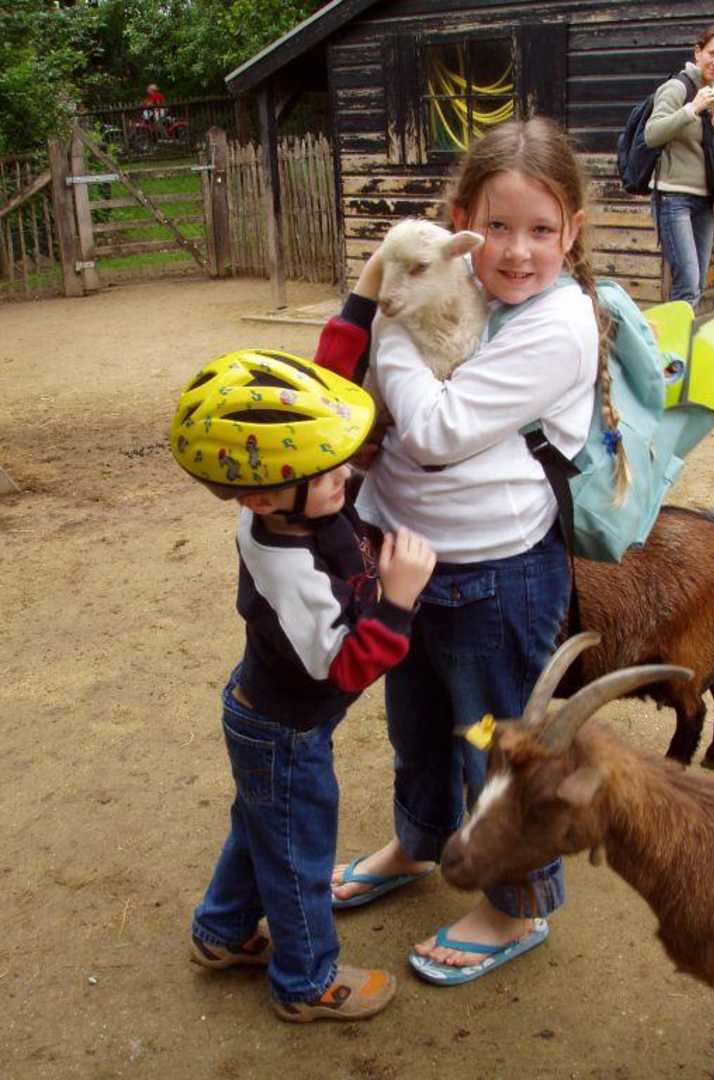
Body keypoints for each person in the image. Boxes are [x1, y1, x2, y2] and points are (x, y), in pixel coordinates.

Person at [314, 117, 623, 985]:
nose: (517, 251)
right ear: (463, 225)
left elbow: (437, 429)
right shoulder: (453, 290)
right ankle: (419, 842)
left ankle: (515, 903)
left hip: (496, 579)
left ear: (572, 232)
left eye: (541, 229)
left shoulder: (558, 323)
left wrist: (391, 329)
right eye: (497, 226)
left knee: (499, 744)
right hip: (407, 565)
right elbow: (370, 404)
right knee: (415, 725)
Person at [169, 349, 436, 1022]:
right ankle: (305, 981)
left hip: (272, 718)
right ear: (262, 497)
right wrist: (398, 601)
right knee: (296, 853)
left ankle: (222, 931)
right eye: (326, 470)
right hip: (284, 732)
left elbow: (336, 395)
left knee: (263, 829)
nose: (344, 472)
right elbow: (345, 666)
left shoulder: (291, 508)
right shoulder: (287, 567)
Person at [644, 23, 714, 309]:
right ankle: (673, 340)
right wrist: (692, 109)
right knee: (687, 285)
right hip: (673, 197)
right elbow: (652, 134)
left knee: (696, 285)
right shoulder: (677, 88)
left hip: (705, 199)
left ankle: (676, 337)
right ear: (697, 52)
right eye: (712, 53)